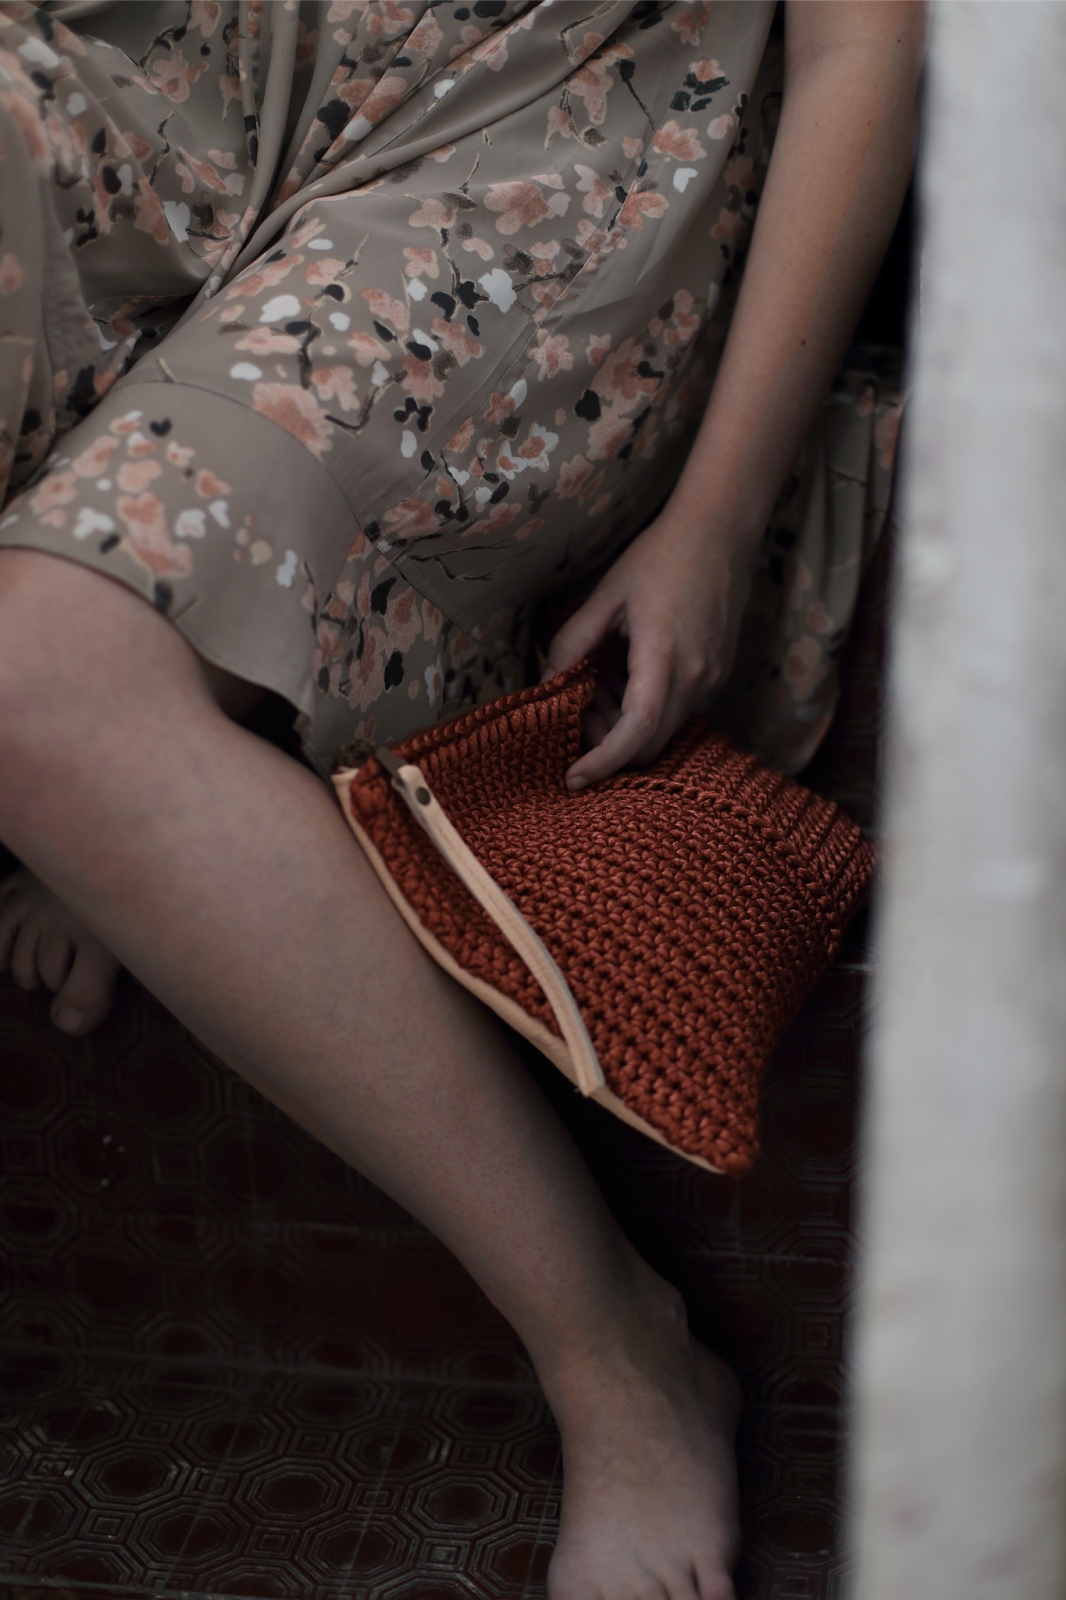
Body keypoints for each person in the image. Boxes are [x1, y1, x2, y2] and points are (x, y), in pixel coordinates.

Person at [0, 0, 922, 1594]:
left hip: (550, 119)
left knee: (42, 687)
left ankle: (618, 1352)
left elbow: (864, 44)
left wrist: (716, 516)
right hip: (193, 59)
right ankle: (121, 793)